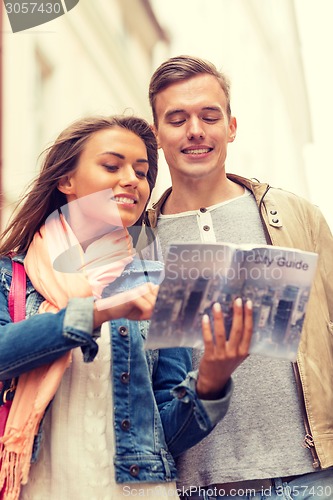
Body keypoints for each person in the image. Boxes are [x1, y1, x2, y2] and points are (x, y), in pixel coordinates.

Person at [0, 115, 253, 500]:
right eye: (112, 165)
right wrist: (99, 312)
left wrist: (211, 382)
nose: (133, 180)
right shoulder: (11, 275)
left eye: (142, 171)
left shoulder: (159, 283)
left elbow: (166, 432)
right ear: (66, 180)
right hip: (38, 487)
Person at [146, 55, 333, 499]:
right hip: (199, 488)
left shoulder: (295, 215)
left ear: (230, 126)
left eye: (209, 116)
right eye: (177, 119)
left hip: (314, 478)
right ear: (156, 135)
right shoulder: (138, 242)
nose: (195, 130)